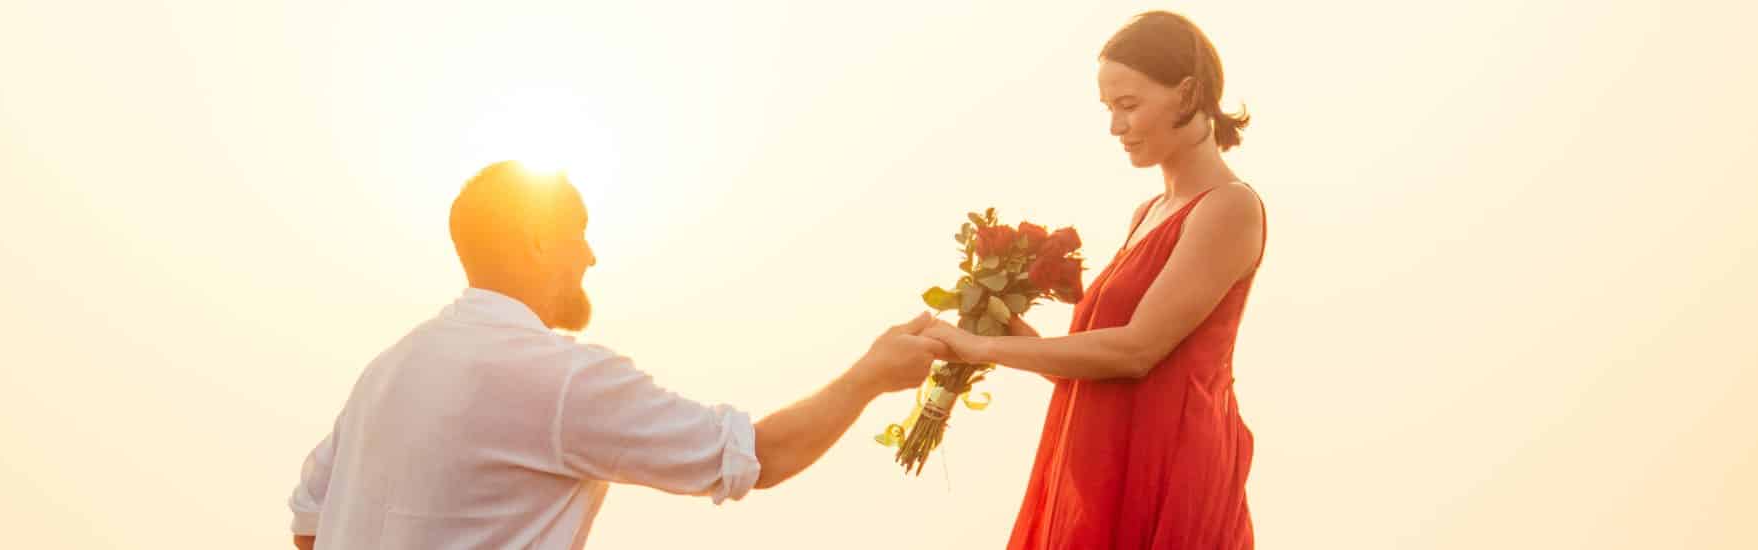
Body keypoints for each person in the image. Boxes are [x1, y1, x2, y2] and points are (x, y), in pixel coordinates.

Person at [287, 161, 945, 549]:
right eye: (579, 234)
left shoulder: (389, 370)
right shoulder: (560, 381)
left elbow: (310, 523)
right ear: (538, 241)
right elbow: (759, 457)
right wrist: (870, 376)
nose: (591, 256)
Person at [921, 11, 1268, 549]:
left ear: (1188, 93)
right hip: (1106, 460)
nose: (1115, 126)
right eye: (1109, 108)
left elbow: (1136, 352)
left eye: (1129, 105)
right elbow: (1109, 372)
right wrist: (1021, 340)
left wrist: (980, 346)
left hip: (1167, 475)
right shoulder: (1149, 211)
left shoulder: (1228, 207)